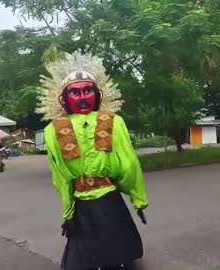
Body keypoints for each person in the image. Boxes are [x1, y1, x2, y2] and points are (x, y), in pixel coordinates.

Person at [38, 52, 148, 270]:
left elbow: (129, 163)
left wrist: (138, 200)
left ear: (98, 95)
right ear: (63, 98)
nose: (81, 97)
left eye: (87, 90)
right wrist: (68, 212)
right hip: (81, 204)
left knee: (118, 258)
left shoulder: (114, 122)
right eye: (75, 92)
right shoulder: (54, 129)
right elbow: (60, 176)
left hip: (109, 198)